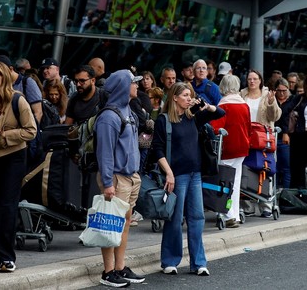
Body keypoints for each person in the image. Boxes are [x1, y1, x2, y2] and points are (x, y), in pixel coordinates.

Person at [150, 82, 224, 276]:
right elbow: (157, 149)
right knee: (175, 218)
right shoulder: (164, 120)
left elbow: (220, 113)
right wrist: (169, 172)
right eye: (185, 95)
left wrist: (206, 106)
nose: (189, 98)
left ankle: (199, 262)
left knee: (197, 217)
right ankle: (169, 261)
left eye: (190, 95)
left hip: (195, 174)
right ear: (175, 97)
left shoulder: (193, 118)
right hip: (177, 175)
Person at [0, 60, 37, 273]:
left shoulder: (17, 99)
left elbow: (31, 130)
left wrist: (8, 136)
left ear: (2, 76)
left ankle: (7, 257)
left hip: (13, 157)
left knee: (6, 206)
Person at [95, 70, 145, 287]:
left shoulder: (128, 112)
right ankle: (108, 272)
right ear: (123, 87)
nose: (137, 86)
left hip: (130, 176)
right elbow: (104, 153)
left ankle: (119, 267)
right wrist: (107, 183)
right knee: (110, 226)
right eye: (133, 83)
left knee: (123, 225)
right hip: (115, 178)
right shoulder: (108, 117)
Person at [210, 75, 249, 228]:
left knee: (224, 181)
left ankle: (227, 214)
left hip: (227, 148)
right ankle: (234, 213)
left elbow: (216, 128)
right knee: (236, 182)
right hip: (242, 147)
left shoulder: (224, 106)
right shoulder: (244, 104)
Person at [240, 68, 280, 217]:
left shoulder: (267, 94)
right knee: (246, 168)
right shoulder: (241, 94)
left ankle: (266, 205)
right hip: (246, 137)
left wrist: (271, 102)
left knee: (265, 169)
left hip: (263, 137)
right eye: (249, 79)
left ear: (260, 81)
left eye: (255, 79)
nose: (252, 81)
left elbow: (275, 116)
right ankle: (247, 204)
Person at [272, 78, 295, 189]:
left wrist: (286, 132)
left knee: (286, 167)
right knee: (274, 166)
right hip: (273, 136)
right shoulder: (272, 100)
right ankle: (273, 190)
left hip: (286, 137)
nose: (281, 93)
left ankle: (285, 192)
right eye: (279, 90)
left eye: (284, 90)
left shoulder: (292, 101)